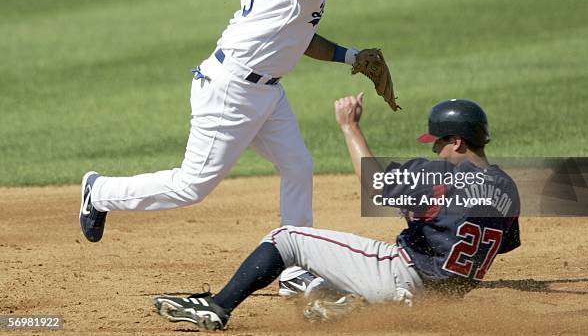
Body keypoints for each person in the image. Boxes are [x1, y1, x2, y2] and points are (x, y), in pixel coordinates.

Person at [79, 0, 382, 290]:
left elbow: (299, 36)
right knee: (191, 186)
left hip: (268, 92)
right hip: (231, 90)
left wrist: (351, 57)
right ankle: (99, 192)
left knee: (298, 166)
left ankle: (292, 268)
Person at [151, 94, 521, 330]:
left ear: (457, 141)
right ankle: (350, 305)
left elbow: (375, 185)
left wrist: (350, 126)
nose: (436, 148)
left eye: (439, 141)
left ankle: (217, 307)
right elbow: (499, 244)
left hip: (400, 277)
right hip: (443, 298)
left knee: (287, 239)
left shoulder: (438, 175)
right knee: (319, 288)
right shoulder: (507, 188)